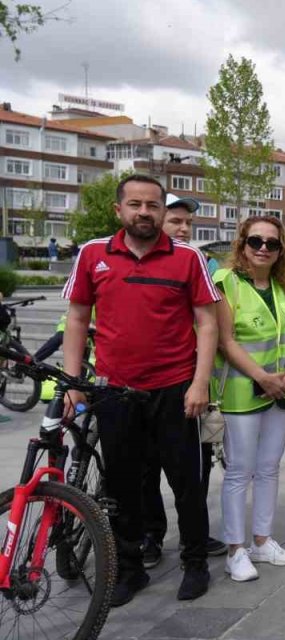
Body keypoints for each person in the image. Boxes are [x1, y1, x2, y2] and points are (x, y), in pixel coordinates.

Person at [61, 174, 220, 605]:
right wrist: (75, 383)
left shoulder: (187, 257)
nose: (144, 212)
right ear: (120, 210)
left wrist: (200, 382)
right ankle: (129, 570)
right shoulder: (93, 254)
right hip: (116, 391)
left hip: (175, 389)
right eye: (135, 204)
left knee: (187, 483)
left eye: (152, 205)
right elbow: (77, 318)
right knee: (123, 487)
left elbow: (207, 322)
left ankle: (195, 563)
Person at [139, 194, 228, 569]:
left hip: (191, 378)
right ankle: (152, 534)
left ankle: (195, 533)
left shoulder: (201, 263)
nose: (184, 229)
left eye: (187, 223)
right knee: (145, 466)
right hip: (144, 380)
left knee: (195, 466)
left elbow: (213, 323)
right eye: (176, 221)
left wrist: (202, 380)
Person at [212, 216, 285, 581]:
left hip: (282, 390)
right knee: (239, 471)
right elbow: (225, 340)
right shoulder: (225, 282)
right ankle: (236, 549)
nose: (263, 248)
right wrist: (263, 377)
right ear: (242, 244)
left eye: (272, 243)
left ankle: (262, 541)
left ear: (282, 249)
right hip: (242, 391)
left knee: (268, 468)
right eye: (255, 241)